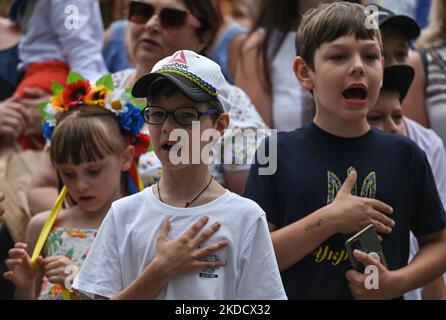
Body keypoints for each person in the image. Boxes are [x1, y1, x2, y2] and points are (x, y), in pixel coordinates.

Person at [244, 2, 446, 300]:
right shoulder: (274, 152)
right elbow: (254, 255)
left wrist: (397, 283)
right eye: (338, 56)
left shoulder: (406, 154)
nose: (358, 66)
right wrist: (332, 219)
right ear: (304, 72)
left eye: (370, 56)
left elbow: (438, 243)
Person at [72, 50, 286, 300]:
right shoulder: (123, 214)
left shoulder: (246, 218)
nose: (168, 128)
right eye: (157, 114)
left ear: (219, 126)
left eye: (186, 116)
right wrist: (161, 270)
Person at [27, 0, 267, 216]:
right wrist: (101, 226)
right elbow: (41, 187)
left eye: (171, 18)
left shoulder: (229, 103)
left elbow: (259, 199)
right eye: (141, 11)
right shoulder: (96, 93)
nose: (152, 24)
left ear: (203, 37)